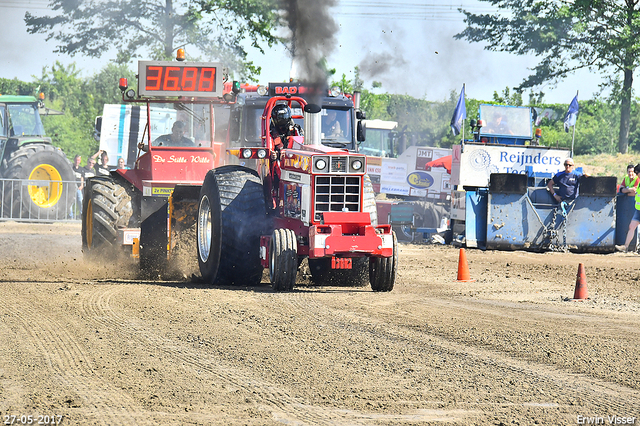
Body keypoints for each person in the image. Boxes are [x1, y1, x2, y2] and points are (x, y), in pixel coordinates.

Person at [617, 164, 640, 252]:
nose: (636, 175)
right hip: (638, 210)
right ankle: (625, 246)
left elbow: (634, 192)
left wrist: (627, 191)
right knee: (631, 226)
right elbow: (632, 192)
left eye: (637, 173)